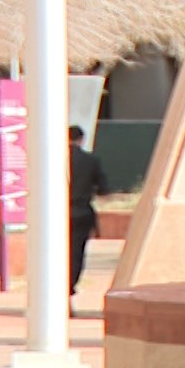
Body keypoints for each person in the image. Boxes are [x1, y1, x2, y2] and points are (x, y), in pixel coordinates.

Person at [66, 124, 108, 315]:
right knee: (76, 254)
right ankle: (69, 290)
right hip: (82, 213)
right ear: (81, 139)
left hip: (57, 215)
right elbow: (103, 189)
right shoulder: (91, 161)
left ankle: (58, 294)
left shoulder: (53, 160)